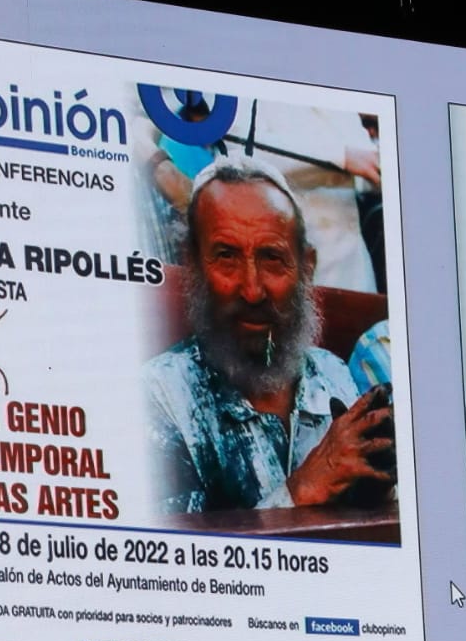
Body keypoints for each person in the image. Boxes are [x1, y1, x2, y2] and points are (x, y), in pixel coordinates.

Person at [144, 162, 395, 516]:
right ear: (193, 265)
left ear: (306, 268)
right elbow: (174, 549)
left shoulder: (331, 371)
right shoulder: (159, 392)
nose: (252, 290)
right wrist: (302, 488)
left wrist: (377, 490)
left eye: (272, 258)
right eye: (226, 257)